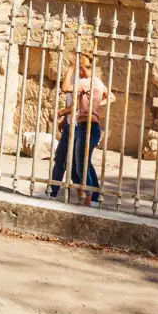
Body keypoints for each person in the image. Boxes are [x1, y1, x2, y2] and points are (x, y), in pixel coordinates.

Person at [50, 54, 110, 204]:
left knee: (80, 165)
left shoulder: (87, 82)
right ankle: (85, 197)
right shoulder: (89, 82)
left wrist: (64, 112)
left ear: (83, 68)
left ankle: (90, 198)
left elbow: (66, 91)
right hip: (77, 124)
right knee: (70, 162)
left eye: (78, 66)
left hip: (84, 127)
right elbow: (76, 101)